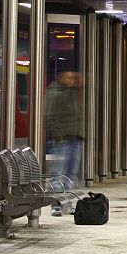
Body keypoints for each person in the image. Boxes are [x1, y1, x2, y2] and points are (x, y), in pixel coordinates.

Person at [45, 70, 83, 215]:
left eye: (74, 77)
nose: (73, 80)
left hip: (74, 139)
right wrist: (59, 136)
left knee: (70, 175)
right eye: (69, 77)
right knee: (58, 175)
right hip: (62, 141)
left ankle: (67, 204)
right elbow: (50, 116)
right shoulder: (55, 93)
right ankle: (56, 205)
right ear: (61, 78)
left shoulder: (72, 93)